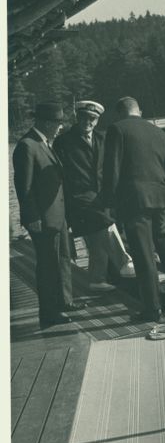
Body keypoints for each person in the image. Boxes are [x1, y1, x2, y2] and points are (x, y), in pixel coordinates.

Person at [102, 96, 165, 323]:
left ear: (120, 113)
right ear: (139, 111)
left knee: (144, 255)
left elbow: (112, 170)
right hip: (160, 200)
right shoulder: (158, 132)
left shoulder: (116, 130)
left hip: (134, 202)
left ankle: (152, 309)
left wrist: (108, 203)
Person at [12, 102, 85, 328]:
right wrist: (32, 217)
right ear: (45, 122)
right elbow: (24, 187)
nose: (61, 127)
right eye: (58, 123)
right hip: (42, 218)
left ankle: (64, 301)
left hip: (57, 215)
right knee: (48, 266)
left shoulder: (44, 143)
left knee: (63, 259)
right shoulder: (28, 145)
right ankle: (49, 313)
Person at [54, 100, 135, 293]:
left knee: (98, 239)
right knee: (105, 226)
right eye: (84, 117)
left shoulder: (104, 138)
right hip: (79, 199)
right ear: (77, 117)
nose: (87, 122)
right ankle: (126, 262)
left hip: (103, 198)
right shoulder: (63, 142)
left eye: (92, 119)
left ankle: (97, 279)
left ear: (98, 120)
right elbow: (60, 176)